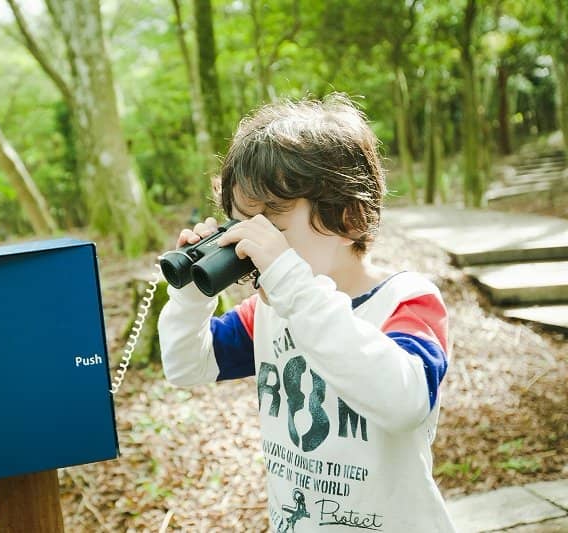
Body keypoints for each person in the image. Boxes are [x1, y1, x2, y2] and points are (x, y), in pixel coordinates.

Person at [157, 94, 455, 532]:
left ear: (349, 219)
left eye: (273, 232)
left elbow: (403, 402)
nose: (254, 251)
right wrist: (190, 295)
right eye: (242, 230)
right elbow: (186, 364)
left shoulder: (407, 302)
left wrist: (291, 282)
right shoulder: (271, 312)